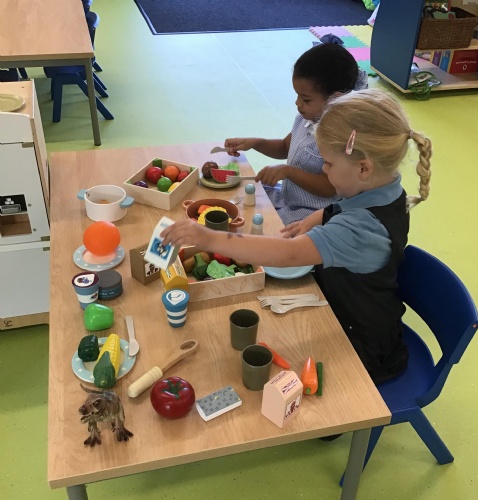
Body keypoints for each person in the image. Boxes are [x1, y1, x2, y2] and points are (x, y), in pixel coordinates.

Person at [161, 88, 432, 385]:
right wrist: (314, 218)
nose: (323, 170)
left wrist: (209, 238)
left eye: (328, 163)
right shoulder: (386, 187)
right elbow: (343, 206)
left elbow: (288, 254)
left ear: (363, 168)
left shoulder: (361, 231)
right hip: (348, 310)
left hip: (362, 347)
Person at [224, 43, 368, 226]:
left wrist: (288, 171)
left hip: (310, 215)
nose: (297, 103)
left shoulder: (342, 138)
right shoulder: (307, 118)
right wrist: (255, 143)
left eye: (306, 99)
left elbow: (329, 187)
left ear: (336, 99)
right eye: (298, 95)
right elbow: (285, 147)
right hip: (287, 200)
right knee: (237, 199)